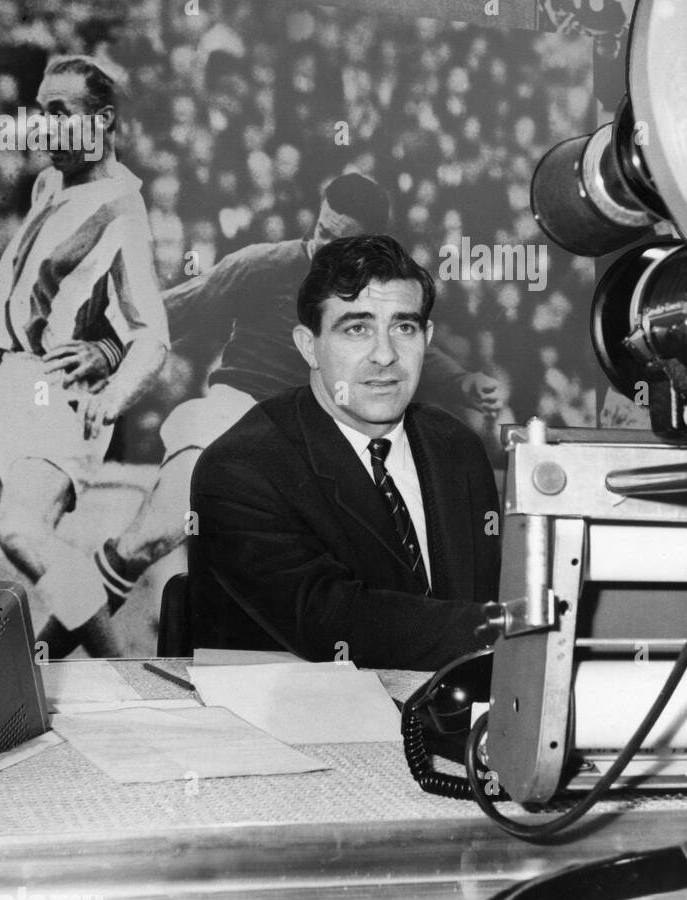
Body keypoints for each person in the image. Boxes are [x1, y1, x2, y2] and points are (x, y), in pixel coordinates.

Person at [53, 173, 504, 656]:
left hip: (317, 435)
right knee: (156, 530)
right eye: (320, 229)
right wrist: (107, 345)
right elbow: (179, 308)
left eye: (336, 239)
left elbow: (396, 346)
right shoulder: (262, 264)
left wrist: (461, 382)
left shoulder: (382, 319)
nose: (319, 244)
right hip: (236, 411)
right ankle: (45, 656)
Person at [188, 235, 501, 669]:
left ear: (426, 339)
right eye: (357, 329)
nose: (386, 355)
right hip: (294, 726)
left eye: (404, 327)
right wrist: (509, 626)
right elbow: (332, 622)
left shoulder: (457, 446)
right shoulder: (242, 467)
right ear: (307, 345)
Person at [0, 56, 169, 650]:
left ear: (103, 120)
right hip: (4, 383)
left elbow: (153, 335)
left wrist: (112, 391)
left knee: (19, 531)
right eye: (39, 112)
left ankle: (115, 668)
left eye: (59, 114)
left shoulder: (123, 210)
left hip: (54, 396)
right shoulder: (49, 183)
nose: (43, 127)